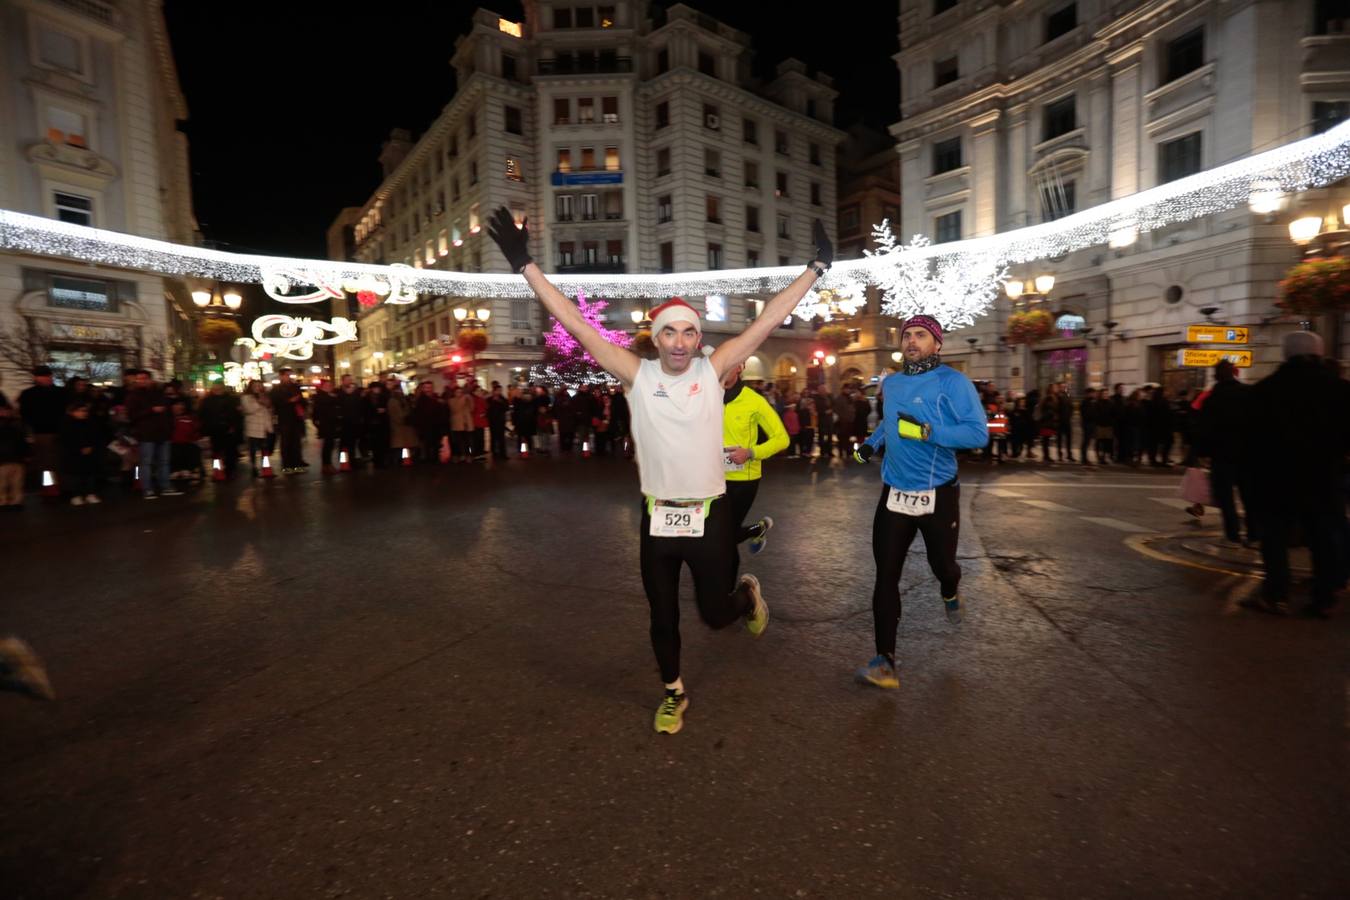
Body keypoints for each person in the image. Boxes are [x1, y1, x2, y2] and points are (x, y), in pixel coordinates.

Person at [488, 206, 831, 734]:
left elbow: (765, 321)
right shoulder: (635, 374)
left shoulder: (713, 371)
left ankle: (746, 595)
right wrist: (525, 265)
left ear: (698, 339)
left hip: (710, 514)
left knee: (714, 614)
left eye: (688, 333)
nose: (679, 342)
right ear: (656, 337)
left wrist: (816, 269)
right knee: (662, 613)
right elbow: (575, 322)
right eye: (669, 332)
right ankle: (674, 692)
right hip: (658, 518)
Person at [852, 314, 988, 689]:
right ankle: (885, 661)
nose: (912, 341)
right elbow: (889, 422)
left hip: (937, 492)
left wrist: (929, 432)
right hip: (894, 492)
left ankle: (950, 588)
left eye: (921, 335)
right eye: (907, 335)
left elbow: (977, 433)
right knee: (885, 575)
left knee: (942, 566)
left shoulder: (953, 382)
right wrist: (870, 444)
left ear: (937, 343)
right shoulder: (893, 383)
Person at [1244, 331, 1349, 618]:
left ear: (1286, 354)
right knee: (1323, 537)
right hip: (1323, 475)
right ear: (1318, 353)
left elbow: (1250, 439)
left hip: (1277, 476)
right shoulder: (1339, 389)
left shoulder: (1265, 390)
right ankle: (1324, 598)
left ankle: (1276, 595)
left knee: (1275, 537)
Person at [722, 361, 790, 556]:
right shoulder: (707, 397)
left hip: (744, 479)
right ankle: (757, 529)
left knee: (724, 535)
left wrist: (750, 453)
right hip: (712, 478)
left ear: (739, 367)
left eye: (728, 363)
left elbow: (782, 439)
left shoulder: (755, 401)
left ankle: (726, 581)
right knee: (714, 533)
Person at [1193, 360, 1255, 546]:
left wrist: (1202, 452)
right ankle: (1253, 533)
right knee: (1249, 495)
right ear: (1233, 373)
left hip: (1221, 455)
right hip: (1246, 453)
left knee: (1226, 497)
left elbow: (1204, 428)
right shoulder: (1248, 393)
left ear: (1216, 376)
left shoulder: (1212, 399)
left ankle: (1233, 534)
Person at [126, 370, 175, 498]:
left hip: (162, 432)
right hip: (146, 434)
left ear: (150, 380)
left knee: (164, 461)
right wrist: (151, 410)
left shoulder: (160, 394)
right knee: (146, 462)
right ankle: (147, 488)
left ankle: (165, 486)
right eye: (139, 379)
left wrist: (169, 428)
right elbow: (132, 415)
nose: (141, 381)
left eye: (144, 378)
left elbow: (169, 413)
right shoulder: (134, 396)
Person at [17, 365, 66, 488]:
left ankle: (55, 487)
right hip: (42, 432)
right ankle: (50, 488)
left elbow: (24, 415)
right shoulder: (29, 394)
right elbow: (24, 415)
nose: (42, 379)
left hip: (53, 432)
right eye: (40, 376)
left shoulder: (29, 394)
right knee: (47, 463)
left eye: (44, 376)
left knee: (53, 462)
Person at [60, 400, 100, 505]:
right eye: (81, 411)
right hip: (74, 454)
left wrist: (90, 447)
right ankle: (76, 495)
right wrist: (78, 448)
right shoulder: (67, 424)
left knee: (89, 474)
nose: (84, 413)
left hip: (89, 452)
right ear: (73, 412)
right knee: (75, 475)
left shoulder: (89, 423)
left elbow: (95, 436)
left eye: (85, 411)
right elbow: (66, 440)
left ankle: (90, 493)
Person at [198, 383, 242, 479]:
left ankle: (229, 470)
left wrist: (234, 426)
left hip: (228, 428)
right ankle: (218, 471)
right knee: (216, 451)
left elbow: (236, 414)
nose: (218, 390)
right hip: (214, 429)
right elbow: (203, 415)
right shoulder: (207, 401)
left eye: (219, 389)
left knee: (229, 451)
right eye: (216, 389)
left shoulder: (231, 399)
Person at [269, 368, 307, 473]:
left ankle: (297, 463)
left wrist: (302, 405)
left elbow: (302, 400)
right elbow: (275, 403)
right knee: (286, 442)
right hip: (284, 418)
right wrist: (289, 401)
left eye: (290, 375)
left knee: (296, 442)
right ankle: (286, 465)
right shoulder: (276, 389)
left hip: (296, 418)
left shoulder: (295, 387)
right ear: (281, 376)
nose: (289, 377)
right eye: (287, 375)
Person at [0, 400, 29, 510]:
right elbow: (23, 441)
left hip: (12, 458)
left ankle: (10, 501)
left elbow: (22, 441)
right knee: (9, 482)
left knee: (11, 482)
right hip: (11, 458)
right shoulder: (17, 425)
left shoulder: (16, 425)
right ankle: (11, 501)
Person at [241, 380, 274, 475]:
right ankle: (254, 467)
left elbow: (269, 409)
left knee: (265, 448)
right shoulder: (246, 397)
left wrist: (267, 405)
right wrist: (259, 402)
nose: (258, 388)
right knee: (253, 449)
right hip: (253, 427)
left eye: (259, 386)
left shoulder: (264, 396)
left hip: (264, 426)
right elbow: (249, 409)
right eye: (255, 386)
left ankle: (265, 467)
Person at [311, 378, 341, 473]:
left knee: (329, 445)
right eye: (327, 386)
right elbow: (326, 405)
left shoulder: (327, 395)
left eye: (330, 385)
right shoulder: (321, 396)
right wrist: (333, 397)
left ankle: (327, 465)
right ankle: (326, 465)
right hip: (326, 423)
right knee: (328, 445)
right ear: (323, 387)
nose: (330, 387)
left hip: (329, 423)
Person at [486, 383, 510, 460]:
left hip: (500, 421)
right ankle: (494, 453)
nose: (499, 392)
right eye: (497, 390)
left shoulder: (503, 399)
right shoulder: (489, 399)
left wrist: (500, 401)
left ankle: (503, 454)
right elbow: (487, 409)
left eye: (500, 390)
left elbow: (506, 408)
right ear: (494, 391)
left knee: (501, 438)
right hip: (492, 421)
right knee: (493, 437)